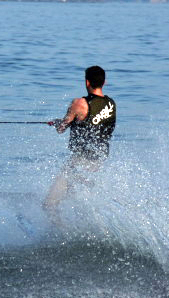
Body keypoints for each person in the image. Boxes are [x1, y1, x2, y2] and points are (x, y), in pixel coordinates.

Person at [43, 65, 117, 217]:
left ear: (87, 82)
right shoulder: (111, 104)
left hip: (79, 162)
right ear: (104, 83)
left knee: (48, 205)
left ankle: (61, 237)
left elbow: (62, 128)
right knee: (72, 201)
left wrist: (59, 123)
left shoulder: (79, 104)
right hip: (99, 161)